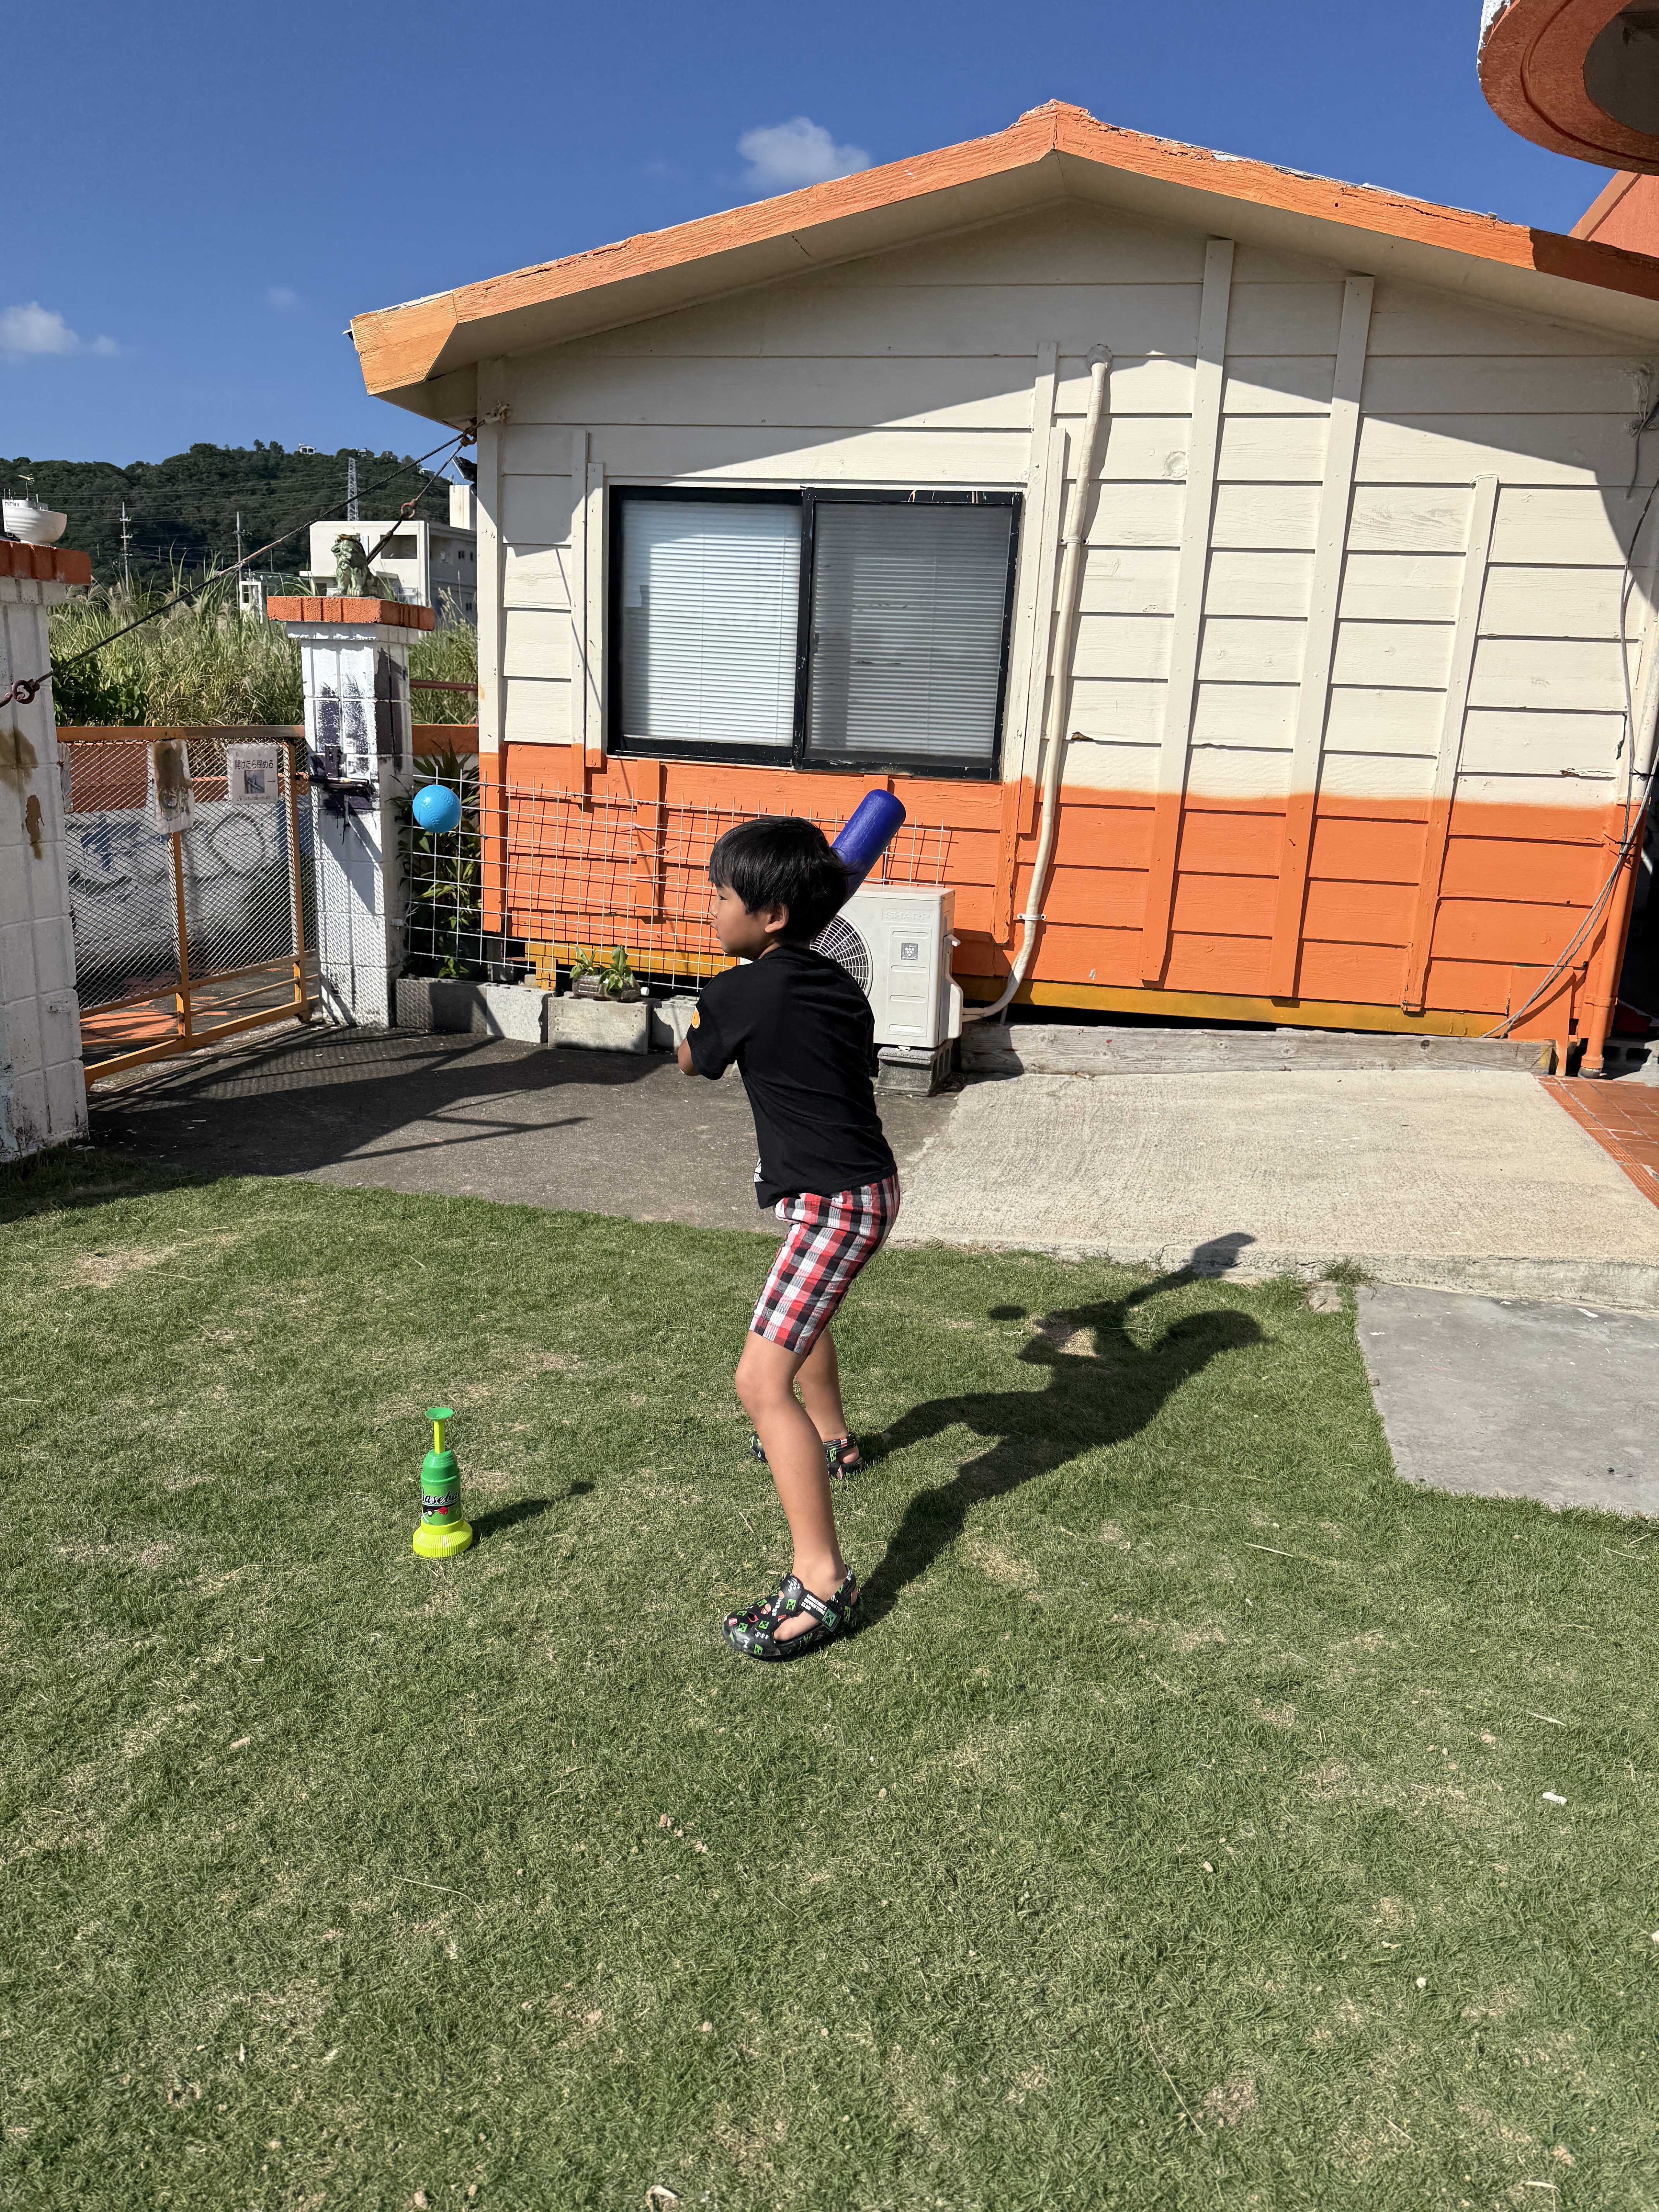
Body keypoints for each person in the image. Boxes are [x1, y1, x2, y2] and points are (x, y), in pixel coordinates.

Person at [677, 815, 900, 1661]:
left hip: (835, 1203)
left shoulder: (739, 994)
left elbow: (693, 1062)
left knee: (759, 1382)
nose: (710, 911)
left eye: (720, 898)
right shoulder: (839, 980)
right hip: (856, 1187)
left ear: (771, 915)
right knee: (804, 1321)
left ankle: (824, 1580)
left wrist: (697, 1017)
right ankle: (833, 1439)